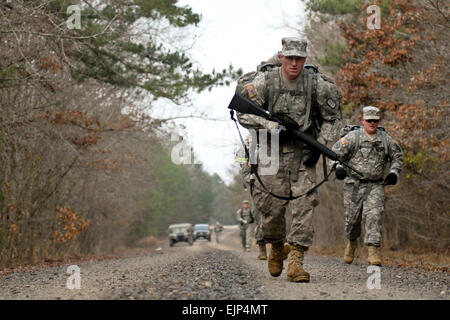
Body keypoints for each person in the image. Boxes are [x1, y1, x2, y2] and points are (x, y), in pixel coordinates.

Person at [235, 37, 341, 282]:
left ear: (305, 60)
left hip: (303, 152)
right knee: (270, 209)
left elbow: (333, 118)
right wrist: (272, 125)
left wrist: (322, 145)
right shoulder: (265, 82)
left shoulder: (317, 85)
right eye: (290, 57)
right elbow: (242, 111)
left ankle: (296, 262)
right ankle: (276, 246)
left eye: (299, 59)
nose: (294, 63)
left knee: (305, 205)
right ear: (281, 57)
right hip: (270, 151)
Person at [332, 106, 403, 266]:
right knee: (352, 220)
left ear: (378, 121)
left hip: (375, 185)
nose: (372, 123)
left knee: (374, 216)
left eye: (375, 121)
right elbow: (334, 153)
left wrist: (394, 172)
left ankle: (373, 251)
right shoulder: (352, 138)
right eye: (369, 120)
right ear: (363, 120)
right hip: (353, 185)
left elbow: (397, 156)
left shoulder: (385, 140)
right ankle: (351, 242)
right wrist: (338, 167)